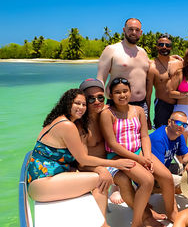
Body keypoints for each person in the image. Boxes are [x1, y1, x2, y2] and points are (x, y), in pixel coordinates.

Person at [26, 89, 135, 226]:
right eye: (77, 103)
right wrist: (116, 163)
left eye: (84, 104)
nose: (81, 108)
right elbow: (83, 159)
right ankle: (103, 225)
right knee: (99, 179)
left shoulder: (58, 119)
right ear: (68, 103)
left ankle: (102, 223)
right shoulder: (67, 125)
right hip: (41, 184)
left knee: (99, 176)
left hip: (39, 180)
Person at [78, 78, 164, 226]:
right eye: (90, 99)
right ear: (83, 100)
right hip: (92, 166)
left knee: (127, 180)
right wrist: (101, 168)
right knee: (118, 181)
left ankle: (145, 213)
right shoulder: (80, 124)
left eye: (100, 97)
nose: (97, 101)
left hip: (111, 162)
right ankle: (110, 222)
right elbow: (81, 160)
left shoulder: (106, 113)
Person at [99, 77, 178, 224]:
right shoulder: (107, 114)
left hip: (139, 152)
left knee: (167, 177)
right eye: (117, 92)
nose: (122, 95)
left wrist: (147, 156)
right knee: (147, 180)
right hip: (117, 156)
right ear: (110, 95)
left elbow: (144, 136)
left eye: (125, 91)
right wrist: (139, 160)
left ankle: (171, 212)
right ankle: (137, 222)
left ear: (130, 92)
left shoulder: (139, 110)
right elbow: (112, 143)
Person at [97, 18, 150, 116]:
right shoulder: (111, 50)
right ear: (124, 30)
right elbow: (100, 80)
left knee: (142, 132)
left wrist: (170, 59)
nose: (134, 32)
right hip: (116, 105)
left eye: (137, 30)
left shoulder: (143, 52)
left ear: (141, 32)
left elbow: (153, 66)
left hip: (141, 106)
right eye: (130, 29)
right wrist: (99, 104)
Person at [146, 33, 182, 129]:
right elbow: (148, 95)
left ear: (171, 47)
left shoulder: (179, 63)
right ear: (157, 47)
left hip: (179, 106)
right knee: (161, 136)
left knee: (179, 135)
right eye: (161, 45)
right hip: (162, 106)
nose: (164, 47)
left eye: (167, 45)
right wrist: (147, 117)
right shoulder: (152, 67)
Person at [150, 111, 188, 182]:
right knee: (184, 182)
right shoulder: (158, 138)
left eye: (184, 125)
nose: (181, 127)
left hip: (165, 167)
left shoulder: (179, 136)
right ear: (169, 122)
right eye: (178, 123)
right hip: (153, 173)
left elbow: (185, 156)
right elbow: (158, 170)